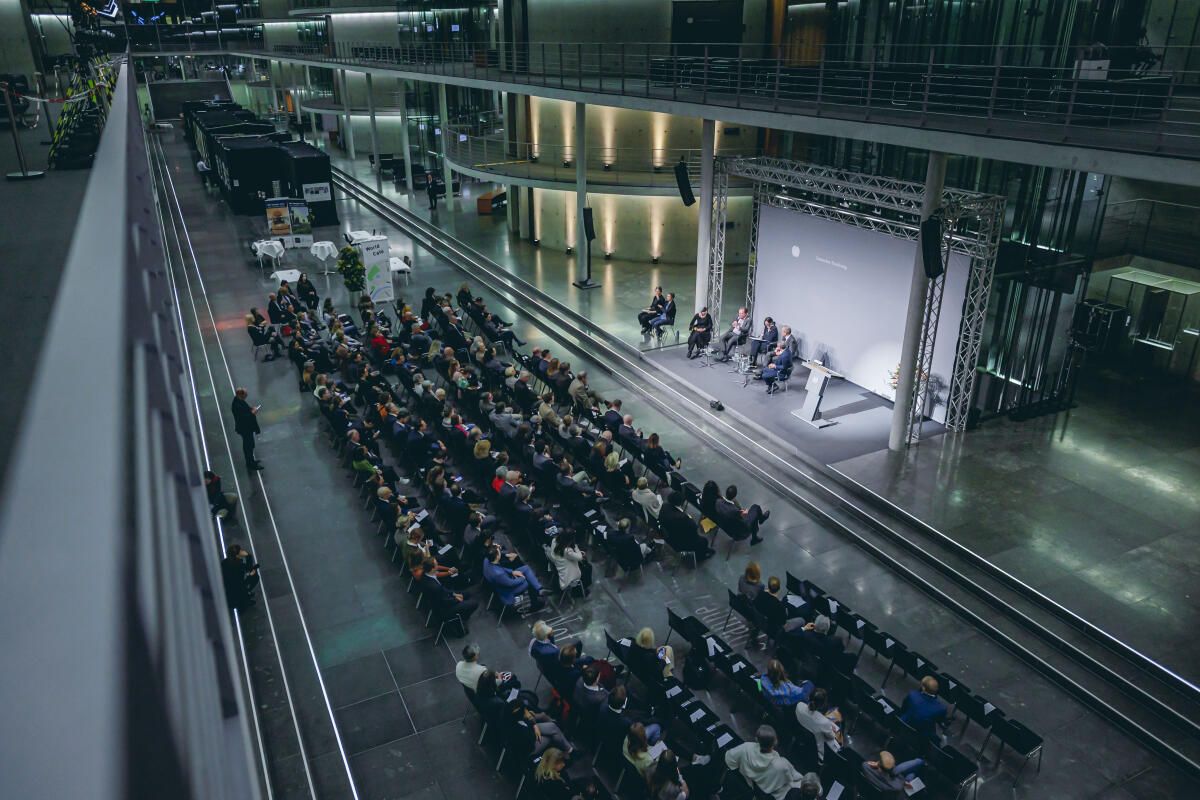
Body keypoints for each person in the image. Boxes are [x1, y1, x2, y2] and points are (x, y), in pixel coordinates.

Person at [723, 725, 806, 800]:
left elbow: (729, 759)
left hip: (758, 791)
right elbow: (796, 778)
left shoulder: (745, 747)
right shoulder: (782, 764)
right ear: (775, 742)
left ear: (757, 739)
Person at [483, 544, 548, 611]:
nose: (500, 552)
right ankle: (535, 604)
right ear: (497, 556)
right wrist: (523, 578)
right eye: (499, 552)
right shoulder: (498, 574)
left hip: (503, 580)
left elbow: (501, 568)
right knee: (528, 582)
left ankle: (539, 588)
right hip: (507, 590)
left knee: (526, 568)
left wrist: (512, 572)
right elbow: (511, 584)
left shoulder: (487, 560)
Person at [417, 556, 478, 628]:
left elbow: (442, 590)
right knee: (474, 603)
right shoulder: (434, 587)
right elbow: (444, 601)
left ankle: (463, 611)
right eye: (436, 564)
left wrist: (454, 594)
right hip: (443, 610)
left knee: (466, 593)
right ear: (432, 569)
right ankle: (462, 616)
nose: (438, 564)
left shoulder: (426, 575)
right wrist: (456, 599)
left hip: (441, 598)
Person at [505, 699, 575, 759]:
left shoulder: (510, 716)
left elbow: (529, 721)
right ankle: (569, 751)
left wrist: (533, 723)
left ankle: (567, 746)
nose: (526, 711)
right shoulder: (519, 729)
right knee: (551, 735)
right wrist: (531, 720)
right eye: (525, 710)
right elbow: (532, 738)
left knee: (549, 723)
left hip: (528, 731)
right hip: (529, 748)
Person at [658, 490, 716, 561]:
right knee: (704, 541)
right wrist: (690, 518)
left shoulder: (664, 507)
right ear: (681, 503)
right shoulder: (684, 519)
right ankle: (701, 557)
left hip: (670, 537)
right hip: (681, 543)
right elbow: (694, 529)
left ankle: (704, 550)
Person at [794, 689, 842, 765]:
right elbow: (832, 737)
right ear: (822, 705)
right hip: (817, 744)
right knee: (836, 712)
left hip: (802, 734)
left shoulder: (799, 705)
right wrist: (832, 730)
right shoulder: (824, 722)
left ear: (809, 698)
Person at [898, 675, 948, 742]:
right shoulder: (941, 708)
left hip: (905, 724)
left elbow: (903, 708)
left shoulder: (913, 695)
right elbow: (939, 720)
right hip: (922, 735)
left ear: (924, 688)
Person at [231, 387, 263, 470]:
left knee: (250, 445)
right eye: (245, 394)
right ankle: (250, 464)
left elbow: (246, 409)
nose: (246, 396)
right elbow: (243, 418)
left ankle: (251, 461)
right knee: (248, 446)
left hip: (247, 428)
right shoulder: (236, 405)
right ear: (240, 395)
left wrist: (251, 409)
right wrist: (252, 413)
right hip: (244, 429)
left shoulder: (239, 401)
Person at [221, 543, 259, 610]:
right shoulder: (239, 565)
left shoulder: (224, 563)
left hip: (228, 590)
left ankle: (245, 596)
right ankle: (245, 597)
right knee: (255, 577)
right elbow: (249, 569)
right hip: (237, 590)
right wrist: (248, 555)